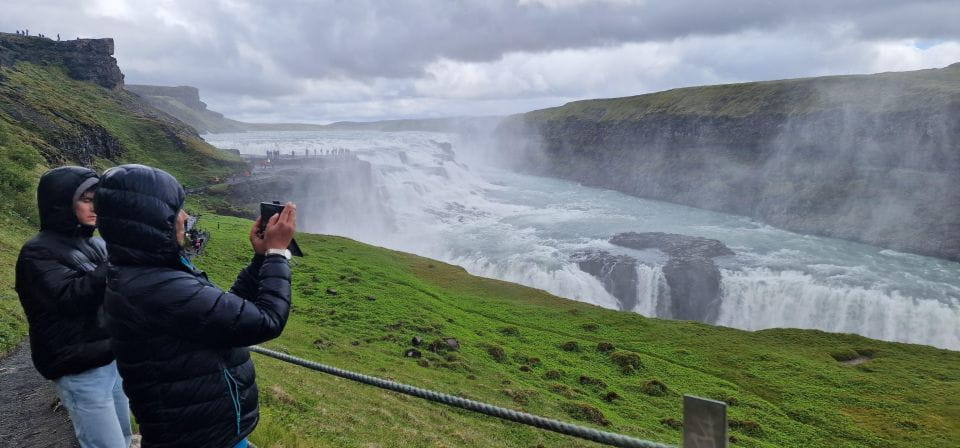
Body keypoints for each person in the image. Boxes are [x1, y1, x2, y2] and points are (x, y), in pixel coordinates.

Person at [95, 164, 296, 447]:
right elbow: (266, 320)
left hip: (201, 427)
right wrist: (277, 253)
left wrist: (261, 259)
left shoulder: (148, 274)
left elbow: (223, 312)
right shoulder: (158, 286)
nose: (186, 217)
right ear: (152, 219)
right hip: (203, 436)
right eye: (177, 209)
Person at [15, 166, 133, 448]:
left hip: (110, 357)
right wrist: (117, 258)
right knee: (106, 444)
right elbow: (69, 299)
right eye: (87, 199)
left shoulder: (95, 244)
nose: (96, 207)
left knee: (125, 437)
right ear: (61, 201)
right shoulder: (37, 252)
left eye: (99, 199)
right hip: (79, 366)